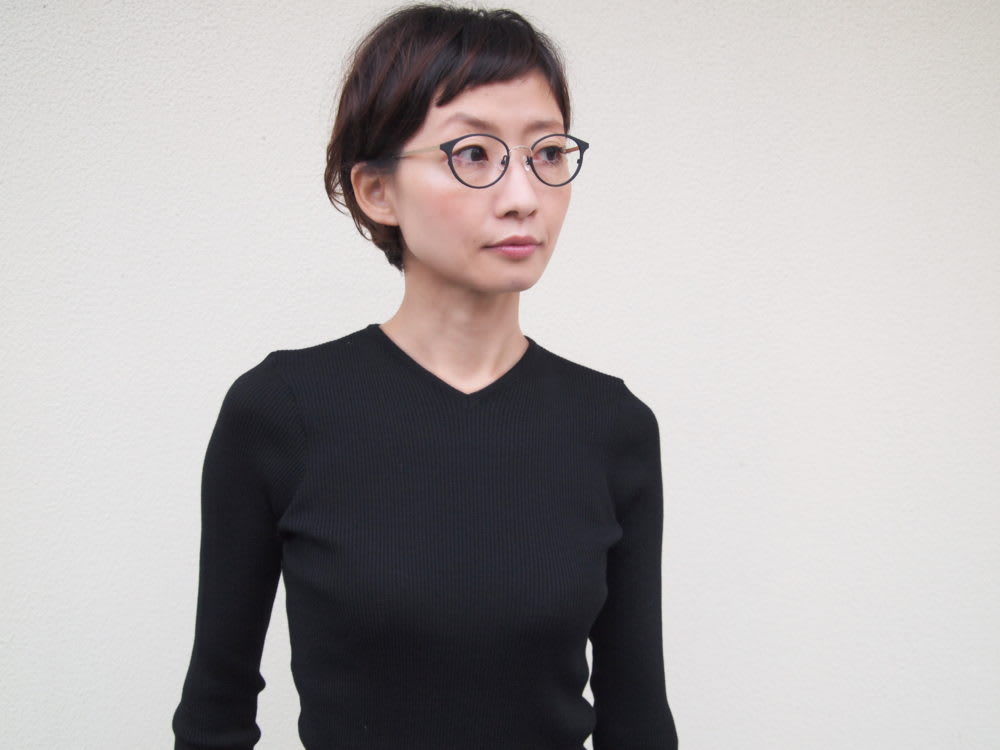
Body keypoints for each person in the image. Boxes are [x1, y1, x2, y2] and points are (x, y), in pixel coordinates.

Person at [172, 4, 678, 749]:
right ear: (376, 191)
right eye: (473, 154)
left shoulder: (612, 426)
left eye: (546, 152)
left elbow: (638, 720)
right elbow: (214, 717)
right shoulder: (282, 411)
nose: (523, 196)